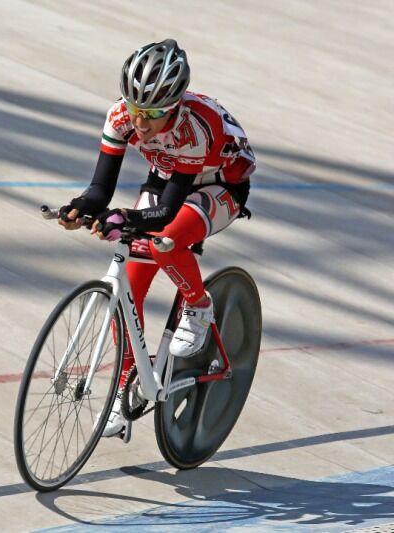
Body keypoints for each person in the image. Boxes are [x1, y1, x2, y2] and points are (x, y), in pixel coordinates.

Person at [58, 39, 255, 437]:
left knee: (165, 240)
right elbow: (100, 189)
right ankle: (125, 384)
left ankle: (199, 307)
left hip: (218, 185)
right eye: (135, 108)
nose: (140, 123)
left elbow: (166, 212)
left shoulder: (194, 127)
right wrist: (81, 207)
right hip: (168, 178)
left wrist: (125, 217)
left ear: (176, 106)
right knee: (129, 282)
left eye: (152, 114)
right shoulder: (120, 116)